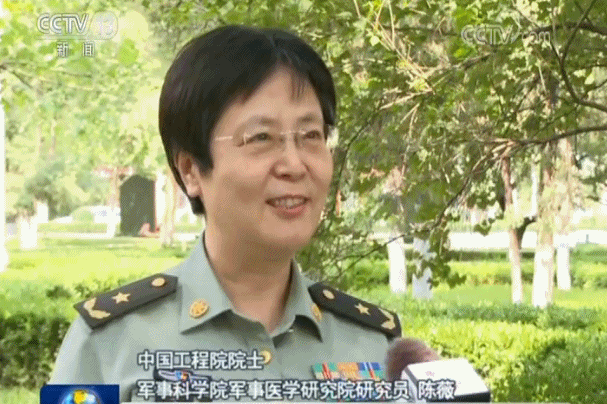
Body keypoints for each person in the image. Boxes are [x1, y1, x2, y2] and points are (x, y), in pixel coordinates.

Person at [50, 25, 402, 402]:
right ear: (191, 170)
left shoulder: (375, 345)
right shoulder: (108, 344)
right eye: (261, 138)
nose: (294, 165)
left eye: (311, 135)